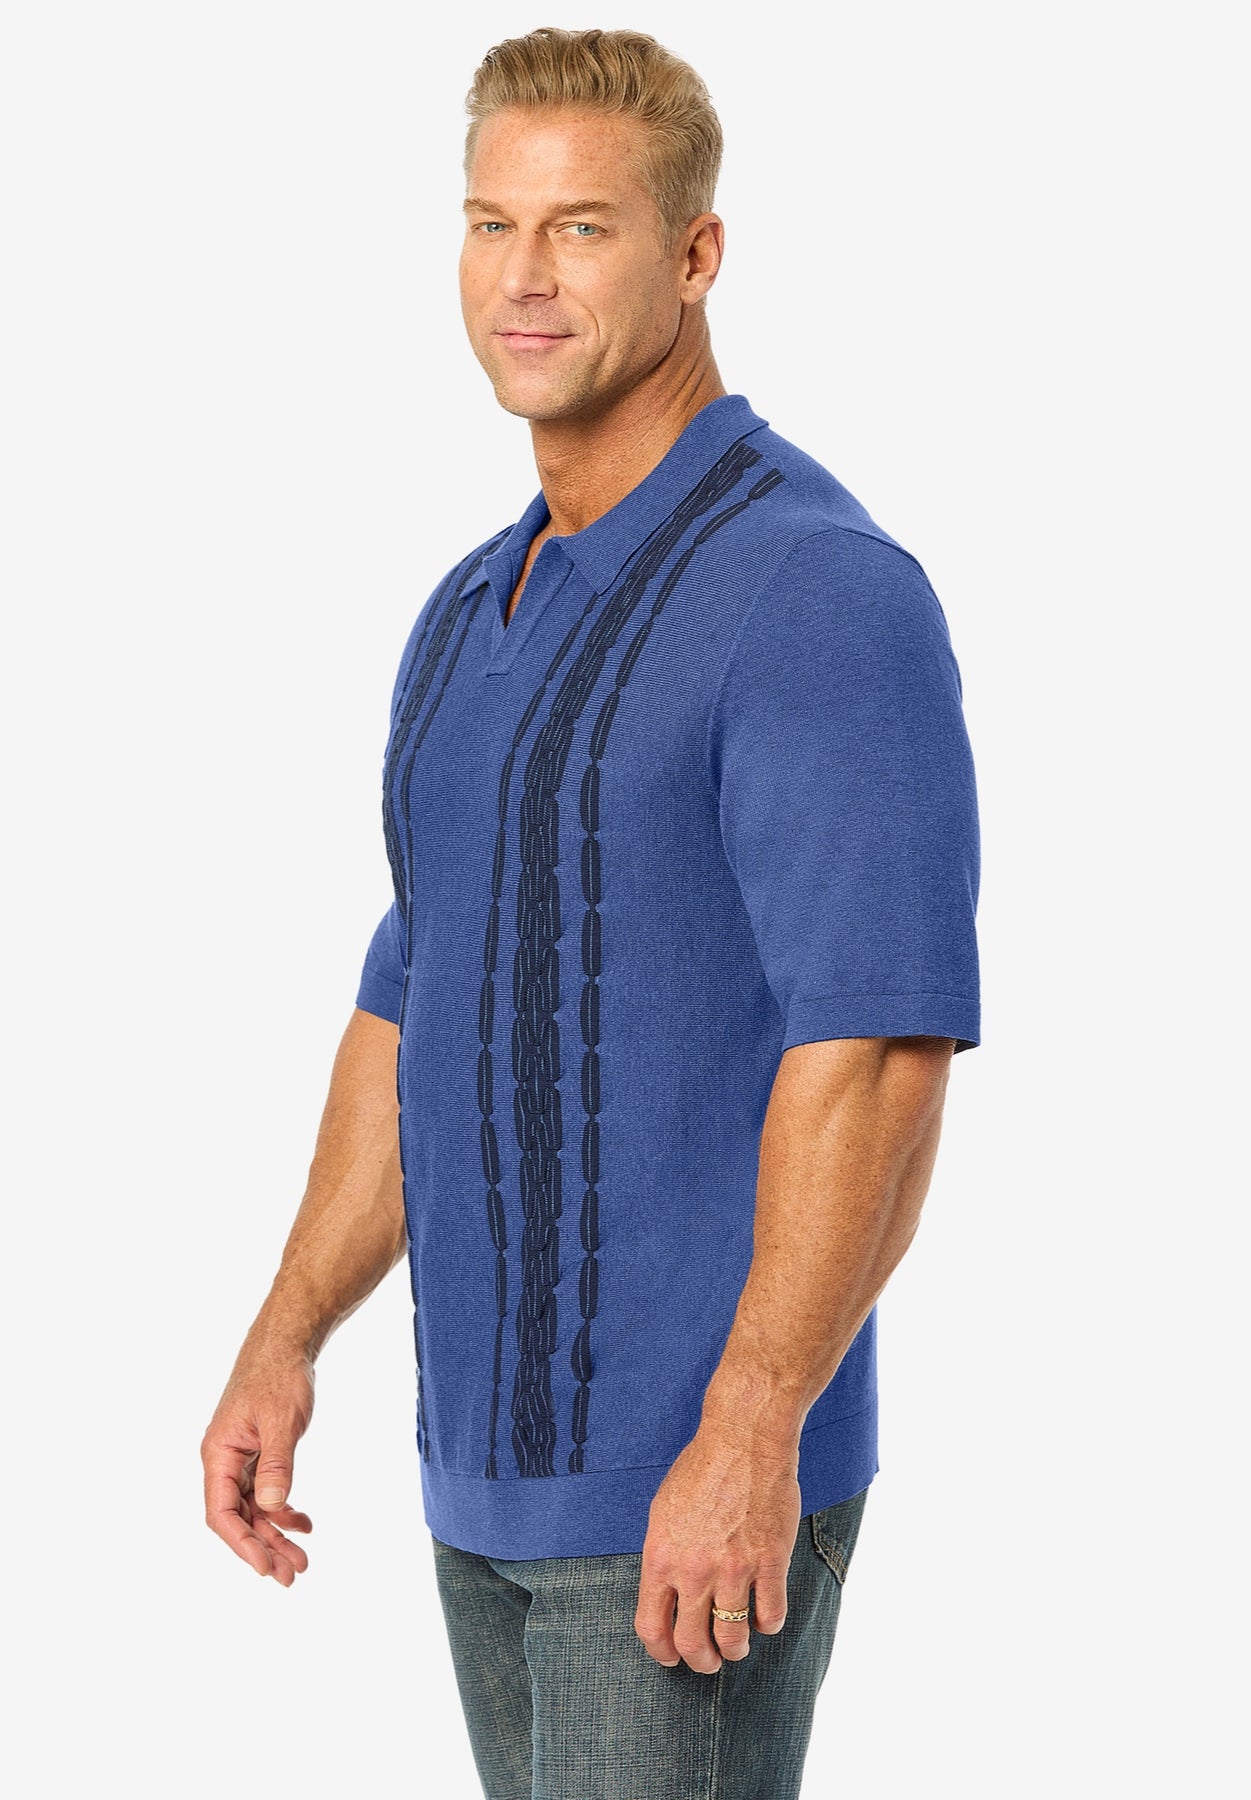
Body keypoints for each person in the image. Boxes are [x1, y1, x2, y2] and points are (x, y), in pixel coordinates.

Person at [201, 25, 981, 1800]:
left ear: (697, 253)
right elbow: (415, 1002)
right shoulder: (468, 609)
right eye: (491, 224)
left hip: (686, 1495)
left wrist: (753, 1426)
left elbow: (878, 1045)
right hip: (481, 1483)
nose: (523, 278)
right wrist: (286, 1330)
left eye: (581, 228)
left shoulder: (818, 593)